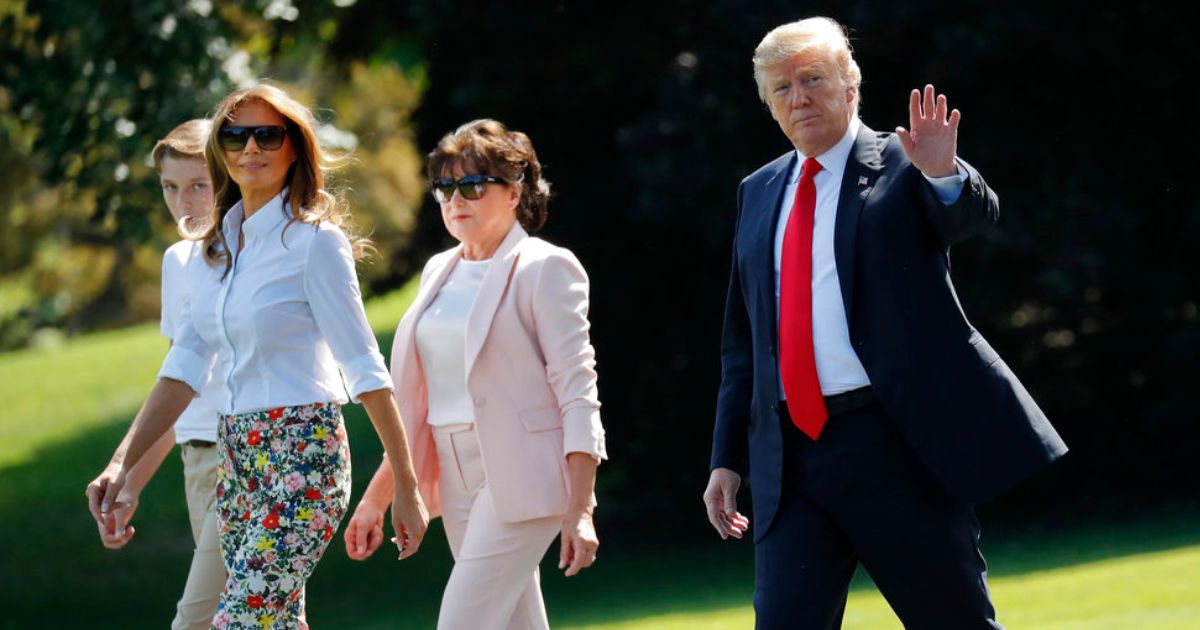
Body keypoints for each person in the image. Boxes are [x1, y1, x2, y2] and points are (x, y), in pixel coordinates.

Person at [703, 17, 1068, 629]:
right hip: (790, 460)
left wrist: (942, 174)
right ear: (768, 106)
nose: (800, 98)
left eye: (814, 79)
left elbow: (972, 216)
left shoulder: (903, 164)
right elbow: (743, 345)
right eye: (782, 88)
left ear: (851, 86)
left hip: (894, 444)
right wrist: (726, 457)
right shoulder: (758, 190)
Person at [86, 83, 429, 629]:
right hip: (238, 460)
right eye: (235, 134)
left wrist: (405, 488)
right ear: (220, 148)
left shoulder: (316, 243)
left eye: (267, 134)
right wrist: (121, 465)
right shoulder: (210, 252)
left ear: (294, 146)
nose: (250, 148)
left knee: (236, 623)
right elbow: (183, 370)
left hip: (304, 455)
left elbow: (365, 369)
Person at [343, 119, 606, 630]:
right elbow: (419, 406)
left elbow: (578, 392)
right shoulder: (437, 270)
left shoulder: (546, 267)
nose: (454, 199)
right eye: (445, 187)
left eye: (472, 186)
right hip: (452, 470)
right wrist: (379, 497)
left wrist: (581, 507)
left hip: (524, 475)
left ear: (516, 193)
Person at [90, 118, 227, 629]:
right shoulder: (178, 261)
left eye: (198, 186)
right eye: (171, 188)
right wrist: (131, 482)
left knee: (197, 620)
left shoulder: (254, 253)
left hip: (249, 458)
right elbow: (178, 387)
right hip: (197, 466)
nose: (184, 203)